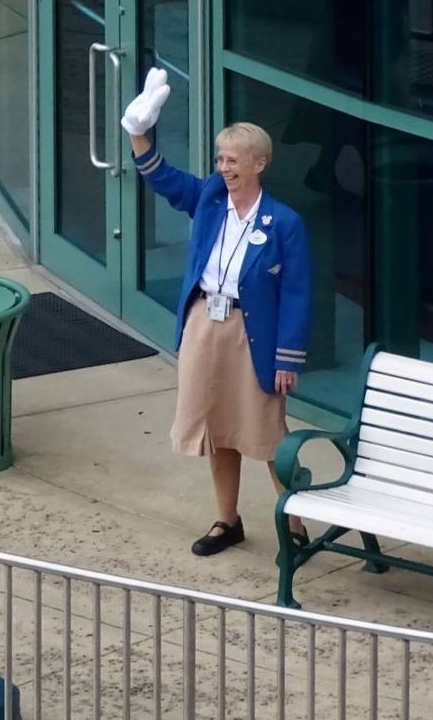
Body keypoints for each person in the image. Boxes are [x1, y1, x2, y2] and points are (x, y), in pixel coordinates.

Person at [121, 70, 312, 556]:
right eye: (220, 159)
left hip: (256, 333)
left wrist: (287, 358)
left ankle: (294, 522)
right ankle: (227, 521)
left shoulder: (285, 222)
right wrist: (138, 133)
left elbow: (296, 292)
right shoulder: (209, 196)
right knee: (216, 426)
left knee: (268, 433)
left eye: (233, 160)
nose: (224, 168)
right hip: (206, 323)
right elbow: (163, 179)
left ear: (259, 164)